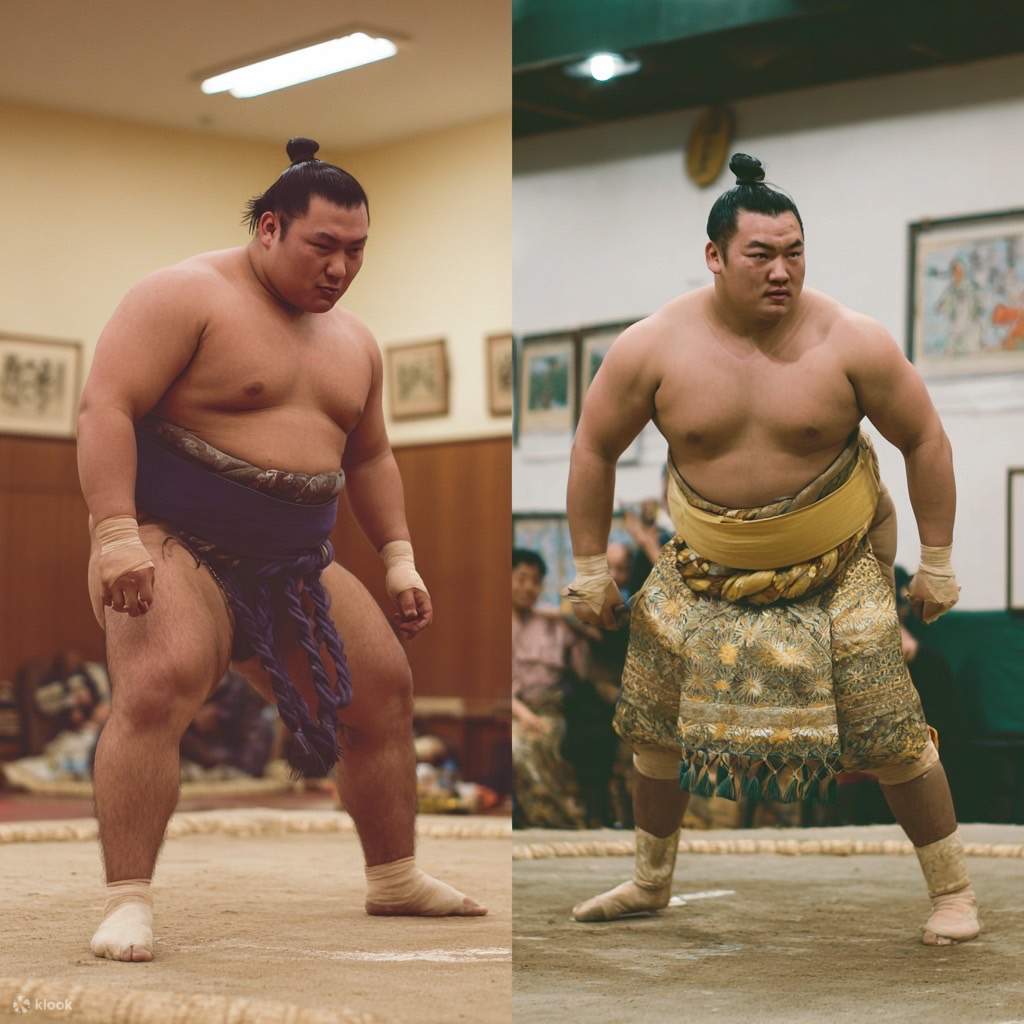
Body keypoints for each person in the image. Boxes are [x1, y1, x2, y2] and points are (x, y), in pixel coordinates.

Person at [77, 137, 485, 963]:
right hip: (172, 535)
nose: (340, 268)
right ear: (269, 228)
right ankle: (127, 900)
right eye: (323, 246)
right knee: (159, 684)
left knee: (382, 695)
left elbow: (369, 457)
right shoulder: (182, 296)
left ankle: (395, 875)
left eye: (357, 251)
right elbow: (105, 407)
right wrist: (114, 532)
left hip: (297, 559)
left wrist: (399, 554)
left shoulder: (356, 343)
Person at [562, 153, 975, 945]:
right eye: (761, 255)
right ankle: (651, 880)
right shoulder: (652, 346)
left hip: (841, 556)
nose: (781, 271)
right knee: (651, 715)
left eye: (794, 253)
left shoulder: (851, 340)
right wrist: (588, 569)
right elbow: (592, 447)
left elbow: (925, 438)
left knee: (887, 716)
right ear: (715, 256)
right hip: (704, 560)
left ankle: (952, 892)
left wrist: (939, 560)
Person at [511, 548, 586, 828]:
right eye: (521, 578)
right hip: (515, 711)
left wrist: (571, 616)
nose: (528, 587)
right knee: (517, 746)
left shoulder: (555, 624)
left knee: (543, 742)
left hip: (552, 712)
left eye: (535, 581)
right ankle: (537, 819)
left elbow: (583, 671)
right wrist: (523, 716)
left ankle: (559, 821)